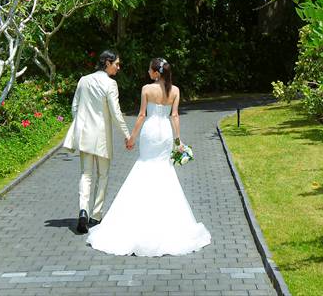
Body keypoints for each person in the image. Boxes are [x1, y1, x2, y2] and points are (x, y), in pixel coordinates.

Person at [87, 57, 211, 256]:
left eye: (150, 69)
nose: (148, 72)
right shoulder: (175, 91)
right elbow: (175, 116)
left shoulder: (147, 89)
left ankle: (139, 217)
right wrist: (178, 141)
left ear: (156, 73)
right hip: (165, 134)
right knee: (164, 169)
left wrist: (131, 138)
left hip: (150, 131)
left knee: (144, 166)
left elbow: (142, 115)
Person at [62, 50, 131, 234]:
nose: (118, 67)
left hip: (85, 135)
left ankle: (83, 210)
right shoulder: (110, 83)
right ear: (107, 63)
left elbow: (75, 107)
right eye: (116, 63)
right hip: (101, 137)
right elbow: (116, 113)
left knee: (86, 175)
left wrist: (80, 125)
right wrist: (127, 134)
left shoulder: (83, 80)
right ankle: (96, 214)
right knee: (103, 175)